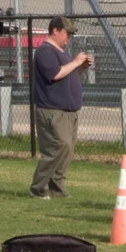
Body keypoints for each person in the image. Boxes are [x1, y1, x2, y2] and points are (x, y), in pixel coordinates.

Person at [29, 16, 93, 200]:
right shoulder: (45, 51)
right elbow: (55, 74)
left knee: (67, 150)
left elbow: (67, 76)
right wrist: (76, 61)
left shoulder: (61, 52)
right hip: (53, 110)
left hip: (68, 112)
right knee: (57, 148)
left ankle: (56, 188)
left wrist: (81, 68)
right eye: (67, 33)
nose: (69, 38)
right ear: (56, 30)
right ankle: (38, 188)